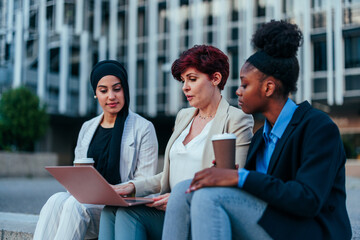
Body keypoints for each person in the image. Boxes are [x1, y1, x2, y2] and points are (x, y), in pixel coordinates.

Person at [163, 20, 352, 240]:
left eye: (245, 84)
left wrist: (240, 177)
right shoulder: (261, 137)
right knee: (184, 190)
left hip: (310, 230)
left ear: (268, 87)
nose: (238, 91)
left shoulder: (318, 127)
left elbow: (307, 199)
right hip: (271, 222)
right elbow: (256, 192)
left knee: (208, 197)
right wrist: (227, 173)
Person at [98, 45, 254, 240]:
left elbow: (233, 178)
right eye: (183, 81)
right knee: (111, 209)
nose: (185, 87)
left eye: (192, 79)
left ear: (215, 79)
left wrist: (180, 196)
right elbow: (169, 176)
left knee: (128, 214)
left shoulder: (237, 119)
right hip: (167, 208)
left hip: (197, 211)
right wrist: (132, 186)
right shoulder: (184, 116)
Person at [33, 60, 159, 240]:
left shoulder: (144, 128)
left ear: (125, 90)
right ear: (95, 94)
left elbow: (147, 184)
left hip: (119, 210)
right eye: (103, 90)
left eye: (117, 88)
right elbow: (78, 174)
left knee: (75, 205)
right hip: (87, 203)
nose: (111, 96)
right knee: (55, 200)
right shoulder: (87, 127)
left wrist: (114, 191)